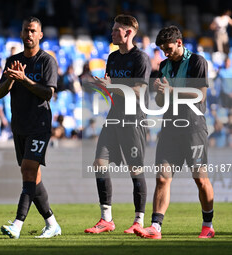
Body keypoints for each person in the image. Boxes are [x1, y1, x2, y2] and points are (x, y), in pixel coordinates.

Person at [134, 26, 215, 239]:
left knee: (200, 179)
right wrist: (161, 93)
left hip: (193, 128)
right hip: (169, 128)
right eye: (162, 50)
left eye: (168, 48)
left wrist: (171, 91)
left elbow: (201, 95)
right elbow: (160, 101)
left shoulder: (197, 62)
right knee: (162, 178)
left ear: (179, 42)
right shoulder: (163, 66)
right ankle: (155, 227)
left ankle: (208, 225)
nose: (165, 53)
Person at [84, 14, 151, 234]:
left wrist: (112, 87)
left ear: (128, 32)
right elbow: (112, 88)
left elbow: (140, 92)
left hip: (133, 120)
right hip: (114, 118)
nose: (112, 33)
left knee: (135, 170)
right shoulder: (112, 58)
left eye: (116, 30)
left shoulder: (140, 59)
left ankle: (138, 222)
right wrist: (103, 88)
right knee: (99, 163)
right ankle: (106, 220)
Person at [0, 16, 61, 239]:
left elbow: (48, 93)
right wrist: (12, 80)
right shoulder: (12, 60)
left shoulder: (47, 61)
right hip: (19, 126)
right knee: (32, 177)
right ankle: (52, 224)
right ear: (22, 33)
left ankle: (17, 224)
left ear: (40, 35)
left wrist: (24, 79)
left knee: (28, 170)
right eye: (26, 30)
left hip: (39, 125)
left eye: (33, 31)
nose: (29, 34)